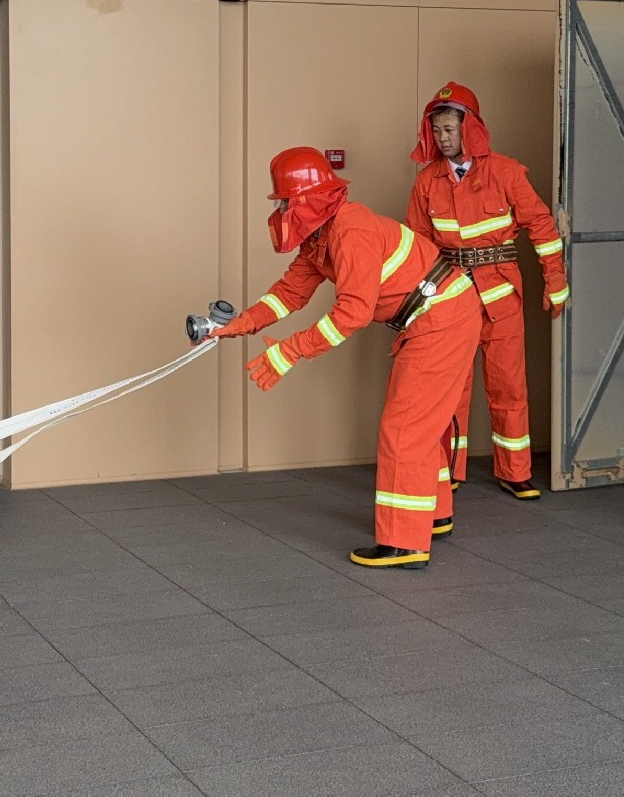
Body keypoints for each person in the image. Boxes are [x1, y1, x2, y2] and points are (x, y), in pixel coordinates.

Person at [210, 147, 481, 568]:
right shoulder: (321, 237)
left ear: (307, 200)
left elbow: (353, 313)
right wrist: (243, 323)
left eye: (284, 202)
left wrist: (290, 351)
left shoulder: (351, 232)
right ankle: (434, 515)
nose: (280, 212)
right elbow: (289, 294)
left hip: (441, 320)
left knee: (404, 429)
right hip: (439, 316)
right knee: (420, 425)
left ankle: (404, 543)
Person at [407, 82, 568, 501]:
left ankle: (515, 472)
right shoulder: (426, 182)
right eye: (436, 131)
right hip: (450, 297)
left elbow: (542, 226)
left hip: (501, 296)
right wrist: (418, 303)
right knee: (450, 388)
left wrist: (555, 279)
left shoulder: (506, 172)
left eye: (449, 130)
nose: (442, 138)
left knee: (508, 385)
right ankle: (447, 471)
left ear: (470, 129)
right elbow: (418, 246)